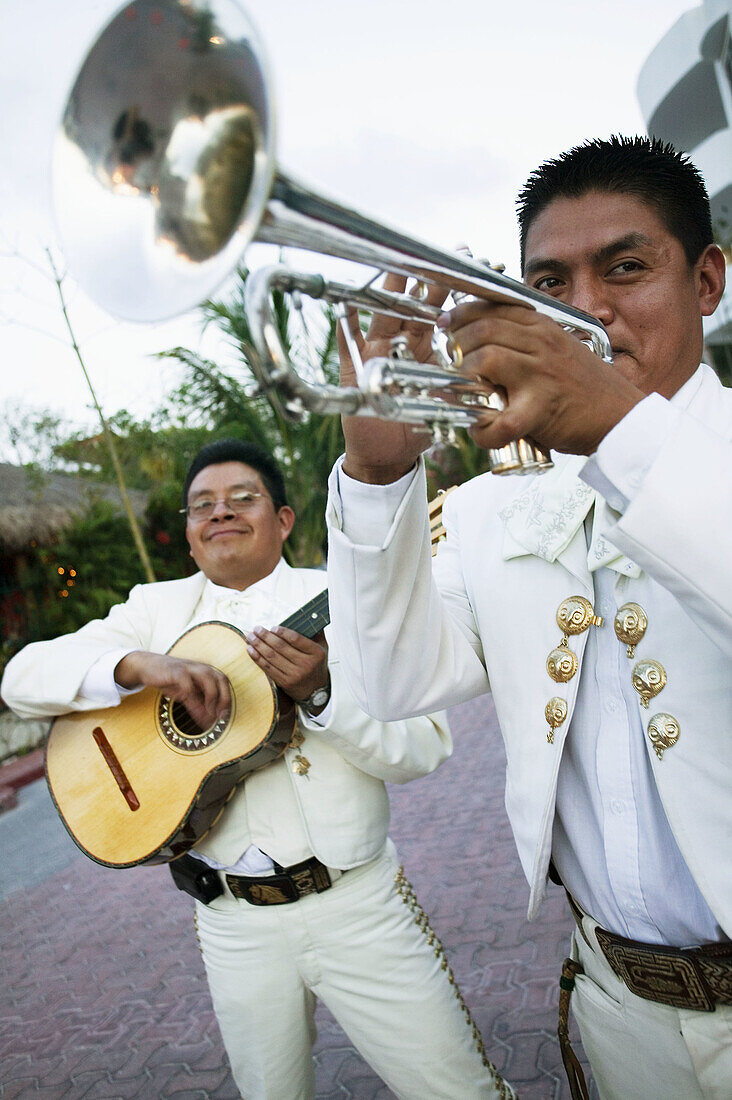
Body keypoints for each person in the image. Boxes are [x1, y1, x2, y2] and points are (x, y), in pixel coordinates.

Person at [325, 136, 731, 1100]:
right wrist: (380, 477)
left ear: (708, 280)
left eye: (626, 268)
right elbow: (399, 682)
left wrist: (624, 434)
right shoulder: (490, 505)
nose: (585, 308)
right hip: (619, 1004)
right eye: (549, 279)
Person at [1, 439, 517, 1100]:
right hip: (232, 923)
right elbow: (21, 679)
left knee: (463, 1091)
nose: (220, 513)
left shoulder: (346, 601)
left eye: (242, 499)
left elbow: (423, 749)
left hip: (358, 906)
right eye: (201, 507)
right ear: (188, 536)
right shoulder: (152, 612)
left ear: (283, 520)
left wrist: (322, 693)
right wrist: (138, 666)